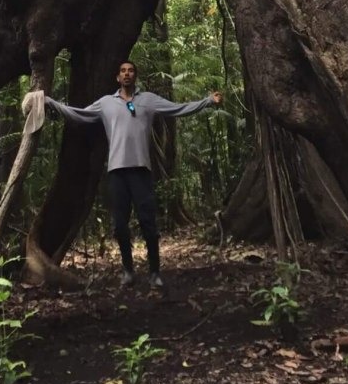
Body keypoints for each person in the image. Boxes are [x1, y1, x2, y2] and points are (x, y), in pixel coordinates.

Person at [43, 60, 222, 288]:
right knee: (119, 224)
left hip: (141, 171)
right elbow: (78, 114)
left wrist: (208, 101)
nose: (127, 74)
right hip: (117, 172)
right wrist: (49, 103)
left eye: (131, 71)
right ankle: (128, 271)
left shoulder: (148, 100)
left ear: (135, 76)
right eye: (123, 71)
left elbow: (178, 108)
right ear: (118, 77)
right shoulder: (106, 104)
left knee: (148, 223)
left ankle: (155, 272)